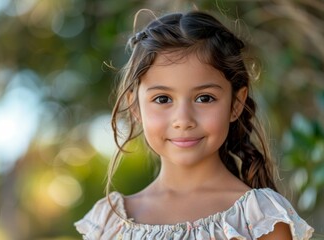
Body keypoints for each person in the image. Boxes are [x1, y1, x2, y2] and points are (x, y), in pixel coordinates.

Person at [75, 9, 314, 239]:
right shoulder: (110, 222)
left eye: (204, 98)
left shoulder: (261, 218)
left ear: (235, 104)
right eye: (162, 99)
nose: (183, 120)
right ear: (136, 107)